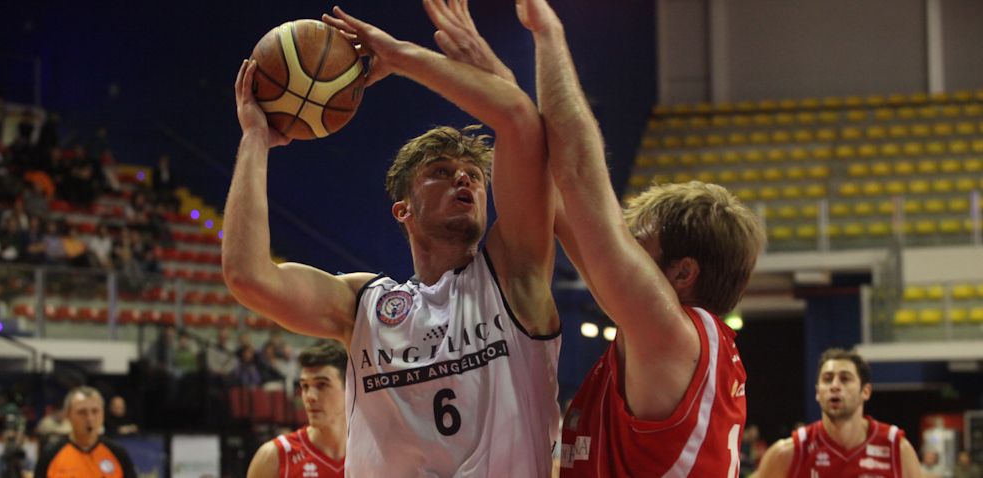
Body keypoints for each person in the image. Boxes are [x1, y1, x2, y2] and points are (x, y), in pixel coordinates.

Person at [422, 0, 763, 475]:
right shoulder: (664, 344)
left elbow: (578, 171)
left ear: (682, 273)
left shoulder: (672, 338)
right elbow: (556, 194)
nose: (621, 246)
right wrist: (502, 88)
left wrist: (547, 31)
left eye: (638, 241)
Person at [224, 3, 556, 476]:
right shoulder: (364, 306)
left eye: (474, 175)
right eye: (441, 172)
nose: (464, 179)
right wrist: (255, 139)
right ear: (403, 211)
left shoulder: (513, 275)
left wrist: (400, 57)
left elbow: (522, 126)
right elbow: (248, 276)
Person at [752, 348, 922, 478]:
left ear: (866, 391)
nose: (834, 386)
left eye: (845, 378)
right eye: (827, 379)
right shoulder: (788, 453)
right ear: (817, 393)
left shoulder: (896, 449)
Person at [246, 340, 348, 478]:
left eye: (322, 385)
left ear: (349, 388)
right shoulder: (274, 457)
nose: (310, 396)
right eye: (305, 386)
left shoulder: (371, 454)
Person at [33, 386, 137, 478]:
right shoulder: (51, 455)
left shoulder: (118, 454)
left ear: (103, 414)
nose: (90, 418)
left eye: (95, 411)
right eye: (82, 412)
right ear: (68, 415)